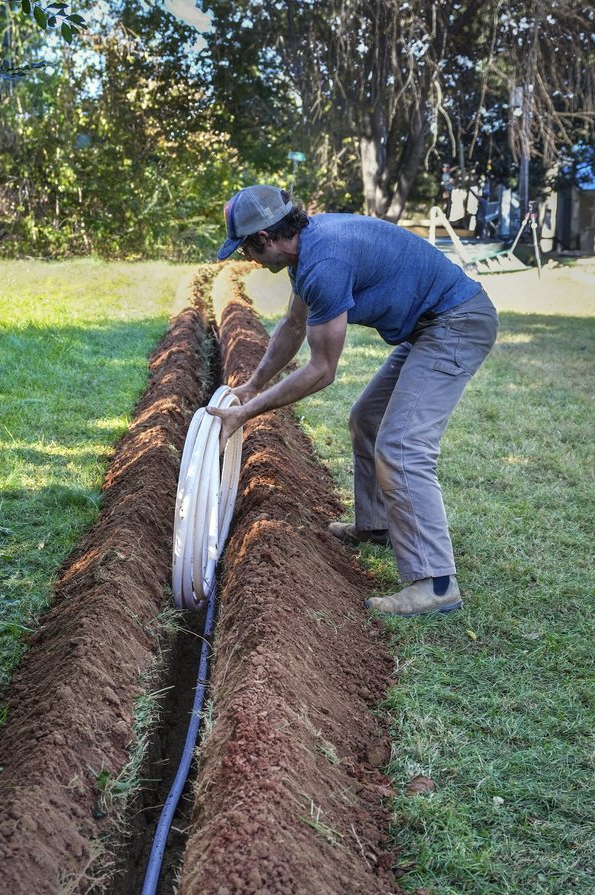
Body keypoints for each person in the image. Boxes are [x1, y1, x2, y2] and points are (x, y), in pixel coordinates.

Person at [208, 184, 499, 617]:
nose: (248, 260)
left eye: (246, 249)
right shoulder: (308, 251)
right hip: (429, 325)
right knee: (367, 418)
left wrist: (248, 412)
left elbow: (322, 370)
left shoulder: (323, 262)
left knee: (402, 446)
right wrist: (251, 386)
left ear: (265, 239)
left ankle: (437, 585)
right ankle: (377, 526)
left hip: (456, 323)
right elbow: (293, 325)